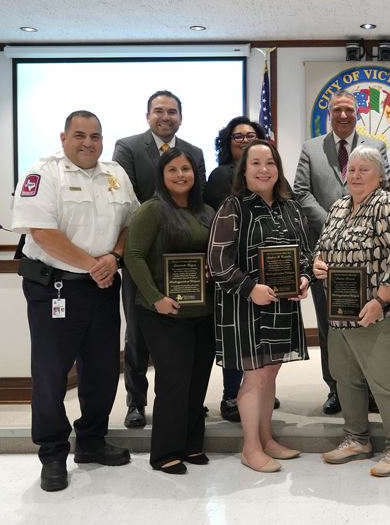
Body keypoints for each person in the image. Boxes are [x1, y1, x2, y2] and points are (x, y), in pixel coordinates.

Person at [11, 110, 138, 491]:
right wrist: (94, 266)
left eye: (95, 136)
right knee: (51, 376)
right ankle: (52, 453)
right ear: (63, 137)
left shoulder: (115, 173)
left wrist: (112, 259)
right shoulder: (43, 172)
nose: (88, 143)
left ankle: (91, 442)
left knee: (101, 370)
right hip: (55, 289)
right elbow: (42, 233)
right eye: (80, 135)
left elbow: (132, 222)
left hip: (101, 287)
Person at [208, 140, 313, 473]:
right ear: (244, 169)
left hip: (282, 307)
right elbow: (218, 261)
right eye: (255, 163)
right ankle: (249, 447)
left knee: (269, 376)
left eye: (270, 162)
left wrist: (304, 279)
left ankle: (267, 440)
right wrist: (250, 288)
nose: (264, 169)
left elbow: (308, 253)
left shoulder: (290, 207)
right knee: (254, 379)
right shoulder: (233, 207)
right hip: (245, 307)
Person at [314, 145, 390, 478]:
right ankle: (356, 438)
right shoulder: (340, 206)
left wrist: (381, 300)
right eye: (352, 169)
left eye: (364, 169)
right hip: (341, 312)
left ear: (380, 174)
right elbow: (323, 246)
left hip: (382, 312)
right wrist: (318, 264)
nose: (355, 175)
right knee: (345, 378)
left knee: (385, 382)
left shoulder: (388, 205)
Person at [113, 90, 207, 429]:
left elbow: (197, 197)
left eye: (171, 111)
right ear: (147, 115)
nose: (165, 117)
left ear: (180, 117)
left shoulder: (194, 152)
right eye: (158, 111)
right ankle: (136, 402)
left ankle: (183, 400)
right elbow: (124, 196)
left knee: (186, 337)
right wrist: (159, 221)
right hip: (144, 255)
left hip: (187, 262)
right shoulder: (128, 146)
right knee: (137, 334)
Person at [294, 89, 389, 415]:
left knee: (367, 322)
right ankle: (335, 388)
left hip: (368, 257)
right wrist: (338, 219)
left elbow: (385, 187)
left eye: (349, 109)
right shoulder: (311, 148)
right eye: (338, 110)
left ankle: (370, 389)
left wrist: (357, 221)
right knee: (329, 325)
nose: (344, 115)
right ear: (329, 114)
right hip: (327, 252)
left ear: (357, 112)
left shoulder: (375, 147)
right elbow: (301, 192)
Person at [123, 147, 215, 475]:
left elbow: (214, 255)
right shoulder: (152, 210)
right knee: (174, 382)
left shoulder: (206, 211)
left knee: (197, 381)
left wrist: (210, 270)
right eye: (173, 170)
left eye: (186, 169)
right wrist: (156, 298)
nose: (181, 175)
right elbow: (133, 256)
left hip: (202, 312)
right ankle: (165, 452)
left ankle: (192, 444)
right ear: (162, 176)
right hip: (162, 312)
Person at [203, 116, 272, 423]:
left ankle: (258, 387)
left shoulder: (270, 178)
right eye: (238, 136)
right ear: (228, 142)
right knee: (236, 336)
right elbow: (217, 223)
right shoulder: (220, 176)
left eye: (251, 135)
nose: (244, 141)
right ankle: (232, 394)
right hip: (234, 271)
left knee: (262, 335)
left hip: (266, 270)